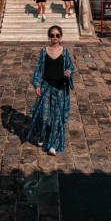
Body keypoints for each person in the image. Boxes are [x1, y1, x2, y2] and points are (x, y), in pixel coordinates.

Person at [27, 25, 75, 155]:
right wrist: (37, 85)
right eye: (52, 35)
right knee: (44, 116)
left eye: (57, 35)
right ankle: (42, 135)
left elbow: (71, 67)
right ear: (49, 36)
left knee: (57, 118)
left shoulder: (65, 52)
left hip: (60, 88)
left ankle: (53, 144)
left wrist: (69, 72)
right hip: (46, 87)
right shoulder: (44, 52)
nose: (55, 37)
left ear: (60, 37)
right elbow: (38, 70)